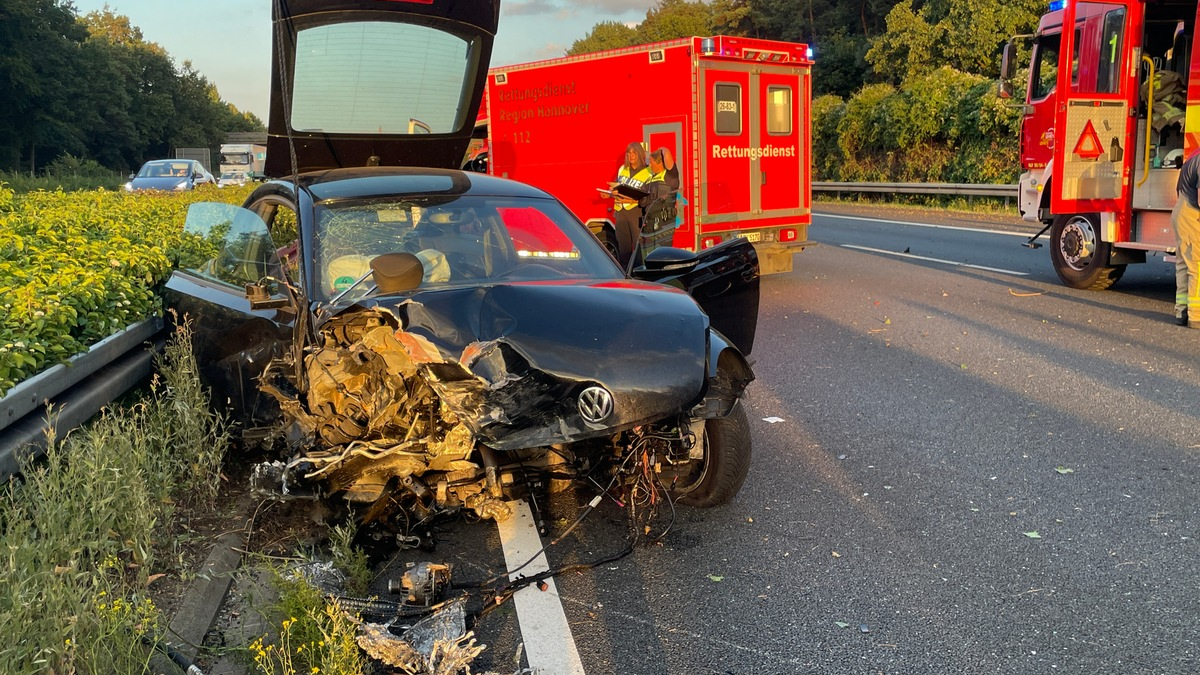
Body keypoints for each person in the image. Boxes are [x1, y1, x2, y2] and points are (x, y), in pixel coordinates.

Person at [609, 142, 652, 268]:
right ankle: (625, 273)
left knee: (638, 247)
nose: (631, 155)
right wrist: (610, 193)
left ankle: (639, 274)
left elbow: (648, 195)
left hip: (636, 212)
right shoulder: (623, 169)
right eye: (629, 153)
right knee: (623, 248)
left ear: (640, 154)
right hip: (621, 212)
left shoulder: (648, 171)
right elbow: (617, 187)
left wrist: (633, 200)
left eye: (634, 153)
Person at [1172, 150, 1200, 326]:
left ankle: (1181, 311)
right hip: (1191, 214)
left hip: (1182, 212)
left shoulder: (1194, 158)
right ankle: (1196, 315)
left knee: (1184, 263)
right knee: (1197, 265)